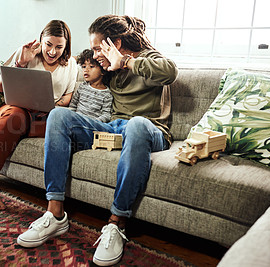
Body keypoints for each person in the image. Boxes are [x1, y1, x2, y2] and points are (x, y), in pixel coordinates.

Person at [17, 14, 178, 266]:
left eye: (97, 48)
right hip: (113, 127)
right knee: (59, 116)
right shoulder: (106, 68)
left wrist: (126, 61)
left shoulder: (148, 58)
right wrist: (24, 62)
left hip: (150, 130)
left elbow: (170, 72)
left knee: (136, 124)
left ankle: (116, 224)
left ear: (115, 43)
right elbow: (81, 74)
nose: (95, 55)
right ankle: (55, 213)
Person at [0, 20, 78, 211]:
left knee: (61, 129)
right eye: (48, 44)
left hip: (46, 116)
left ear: (66, 47)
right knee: (13, 120)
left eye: (59, 47)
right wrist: (20, 63)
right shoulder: (26, 54)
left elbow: (68, 96)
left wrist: (53, 104)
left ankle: (1, 135)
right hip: (16, 110)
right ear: (41, 40)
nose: (52, 51)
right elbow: (0, 87)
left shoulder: (71, 64)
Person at [69, 48, 113, 122]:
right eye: (83, 67)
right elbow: (73, 106)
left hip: (92, 126)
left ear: (103, 71)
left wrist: (94, 122)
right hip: (76, 122)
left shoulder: (107, 94)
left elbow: (106, 115)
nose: (86, 70)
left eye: (91, 66)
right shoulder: (82, 87)